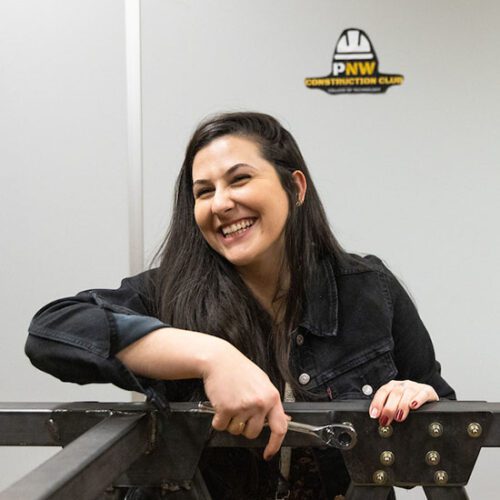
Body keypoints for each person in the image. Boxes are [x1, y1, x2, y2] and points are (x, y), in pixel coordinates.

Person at [26, 111, 455, 499]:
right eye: (203, 191)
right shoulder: (168, 293)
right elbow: (52, 331)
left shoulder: (369, 290)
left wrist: (415, 400)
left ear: (296, 186)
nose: (221, 203)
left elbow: (444, 446)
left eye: (240, 179)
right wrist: (212, 357)